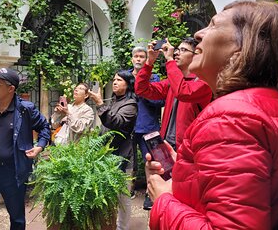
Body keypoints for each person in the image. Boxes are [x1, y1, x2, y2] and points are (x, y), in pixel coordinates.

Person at [146, 0, 278, 229]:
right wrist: (190, 168)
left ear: (242, 48)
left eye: (214, 25)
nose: (198, 34)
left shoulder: (232, 117)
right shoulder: (272, 106)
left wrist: (163, 201)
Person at [0, 68, 50, 230]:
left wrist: (39, 147)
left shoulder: (25, 110)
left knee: (17, 217)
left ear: (11, 88)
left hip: (13, 172)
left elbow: (45, 127)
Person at [135, 37, 212, 151]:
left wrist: (170, 60)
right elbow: (141, 89)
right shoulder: (172, 82)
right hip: (166, 145)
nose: (176, 53)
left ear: (196, 55)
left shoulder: (204, 82)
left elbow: (183, 92)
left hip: (189, 150)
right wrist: (149, 62)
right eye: (177, 49)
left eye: (183, 50)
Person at [89, 70, 138, 230]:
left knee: (123, 197)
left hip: (123, 156)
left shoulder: (131, 105)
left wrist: (99, 104)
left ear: (128, 84)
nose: (115, 82)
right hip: (108, 156)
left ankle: (121, 228)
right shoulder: (115, 101)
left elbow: (116, 122)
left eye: (119, 80)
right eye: (114, 79)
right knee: (108, 195)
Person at [128, 46, 164, 209]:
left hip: (148, 126)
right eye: (135, 56)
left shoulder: (154, 78)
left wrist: (143, 91)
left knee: (152, 161)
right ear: (131, 59)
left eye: (142, 56)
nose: (138, 59)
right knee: (126, 161)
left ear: (146, 59)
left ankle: (151, 194)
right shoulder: (124, 77)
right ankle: (127, 191)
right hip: (128, 126)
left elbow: (159, 101)